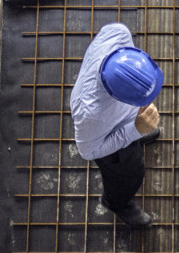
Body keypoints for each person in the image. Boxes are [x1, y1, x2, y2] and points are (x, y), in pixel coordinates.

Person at [70, 23, 164, 227]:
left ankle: (139, 133)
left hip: (122, 119)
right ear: (119, 98)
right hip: (105, 136)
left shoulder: (118, 33)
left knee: (137, 138)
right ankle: (117, 203)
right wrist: (134, 131)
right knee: (130, 174)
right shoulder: (91, 115)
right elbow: (89, 151)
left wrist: (137, 125)